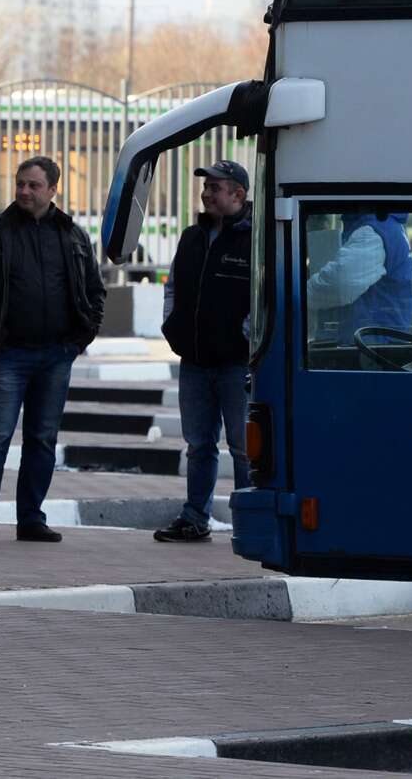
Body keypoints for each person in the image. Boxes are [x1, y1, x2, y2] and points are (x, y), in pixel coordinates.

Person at [0, 156, 106, 544]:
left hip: (56, 355)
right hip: (7, 354)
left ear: (53, 190)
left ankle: (31, 519)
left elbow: (94, 290)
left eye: (33, 185)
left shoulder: (72, 235)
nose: (24, 191)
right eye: (20, 183)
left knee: (42, 439)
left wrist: (80, 339)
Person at [154, 160, 254, 544]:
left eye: (215, 187)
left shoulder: (255, 239)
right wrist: (172, 327)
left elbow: (265, 298)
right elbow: (173, 287)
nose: (207, 193)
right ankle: (195, 518)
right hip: (194, 361)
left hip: (236, 364)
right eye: (206, 187)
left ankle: (249, 522)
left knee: (244, 448)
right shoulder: (191, 237)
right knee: (198, 444)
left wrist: (246, 339)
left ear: (238, 195)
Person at [308, 211, 412, 346]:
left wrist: (295, 293)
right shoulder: (385, 227)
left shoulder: (372, 232)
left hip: (369, 349)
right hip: (371, 343)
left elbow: (340, 286)